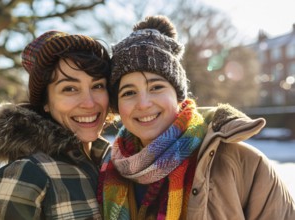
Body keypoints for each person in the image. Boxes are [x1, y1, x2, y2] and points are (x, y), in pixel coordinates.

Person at [97, 15, 295, 220]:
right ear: (117, 105)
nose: (144, 103)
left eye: (156, 87)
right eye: (129, 92)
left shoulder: (243, 164)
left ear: (178, 96)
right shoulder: (105, 169)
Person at [0, 31, 112, 219]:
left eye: (98, 85)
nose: (89, 103)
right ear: (46, 103)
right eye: (70, 89)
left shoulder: (114, 164)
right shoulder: (26, 176)